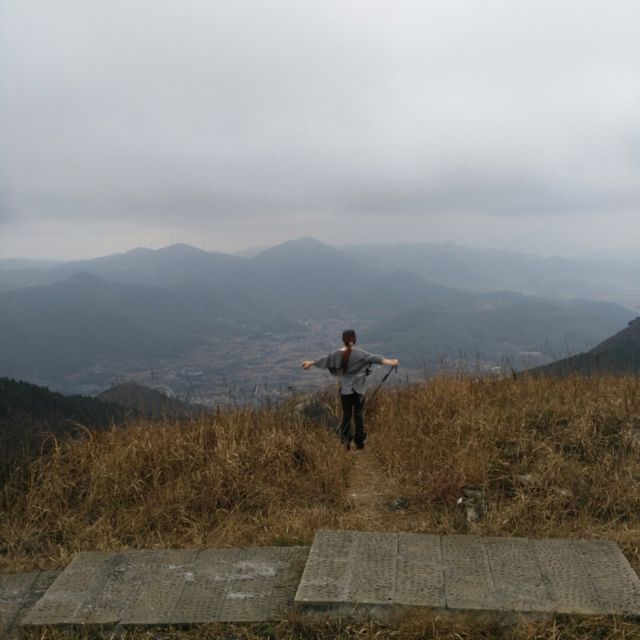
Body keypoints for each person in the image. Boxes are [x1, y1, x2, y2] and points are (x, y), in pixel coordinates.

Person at [301, 329, 399, 450]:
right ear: (354, 339)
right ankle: (359, 441)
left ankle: (345, 441)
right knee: (358, 414)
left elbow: (325, 360)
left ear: (343, 340)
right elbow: (375, 358)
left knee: (347, 414)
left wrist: (311, 363)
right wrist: (391, 362)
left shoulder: (336, 354)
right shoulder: (360, 353)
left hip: (345, 390)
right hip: (359, 390)